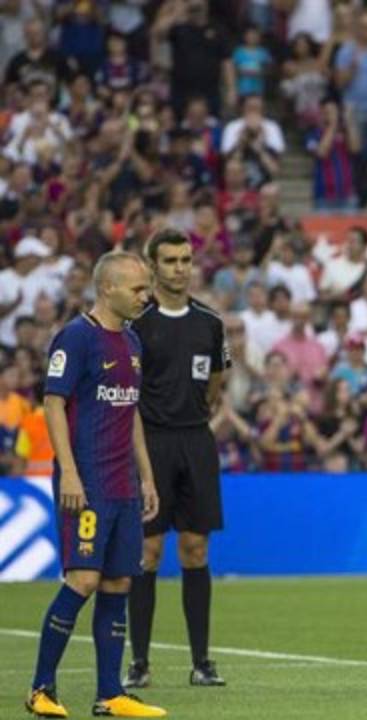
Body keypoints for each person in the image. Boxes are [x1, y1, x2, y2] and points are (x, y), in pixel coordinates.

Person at [26, 251, 166, 719]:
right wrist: (67, 470)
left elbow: (131, 414)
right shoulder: (77, 337)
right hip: (87, 481)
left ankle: (110, 693)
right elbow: (52, 403)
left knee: (118, 581)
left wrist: (146, 475)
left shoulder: (131, 342)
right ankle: (41, 688)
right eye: (138, 289)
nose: (145, 297)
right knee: (83, 578)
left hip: (124, 482)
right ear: (107, 288)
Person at [125, 228, 230, 690]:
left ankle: (202, 661)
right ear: (152, 266)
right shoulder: (137, 325)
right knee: (148, 551)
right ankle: (140, 662)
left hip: (195, 441)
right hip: (150, 442)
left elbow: (215, 383)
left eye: (186, 259)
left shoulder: (209, 323)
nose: (180, 268)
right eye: (169, 260)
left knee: (195, 549)